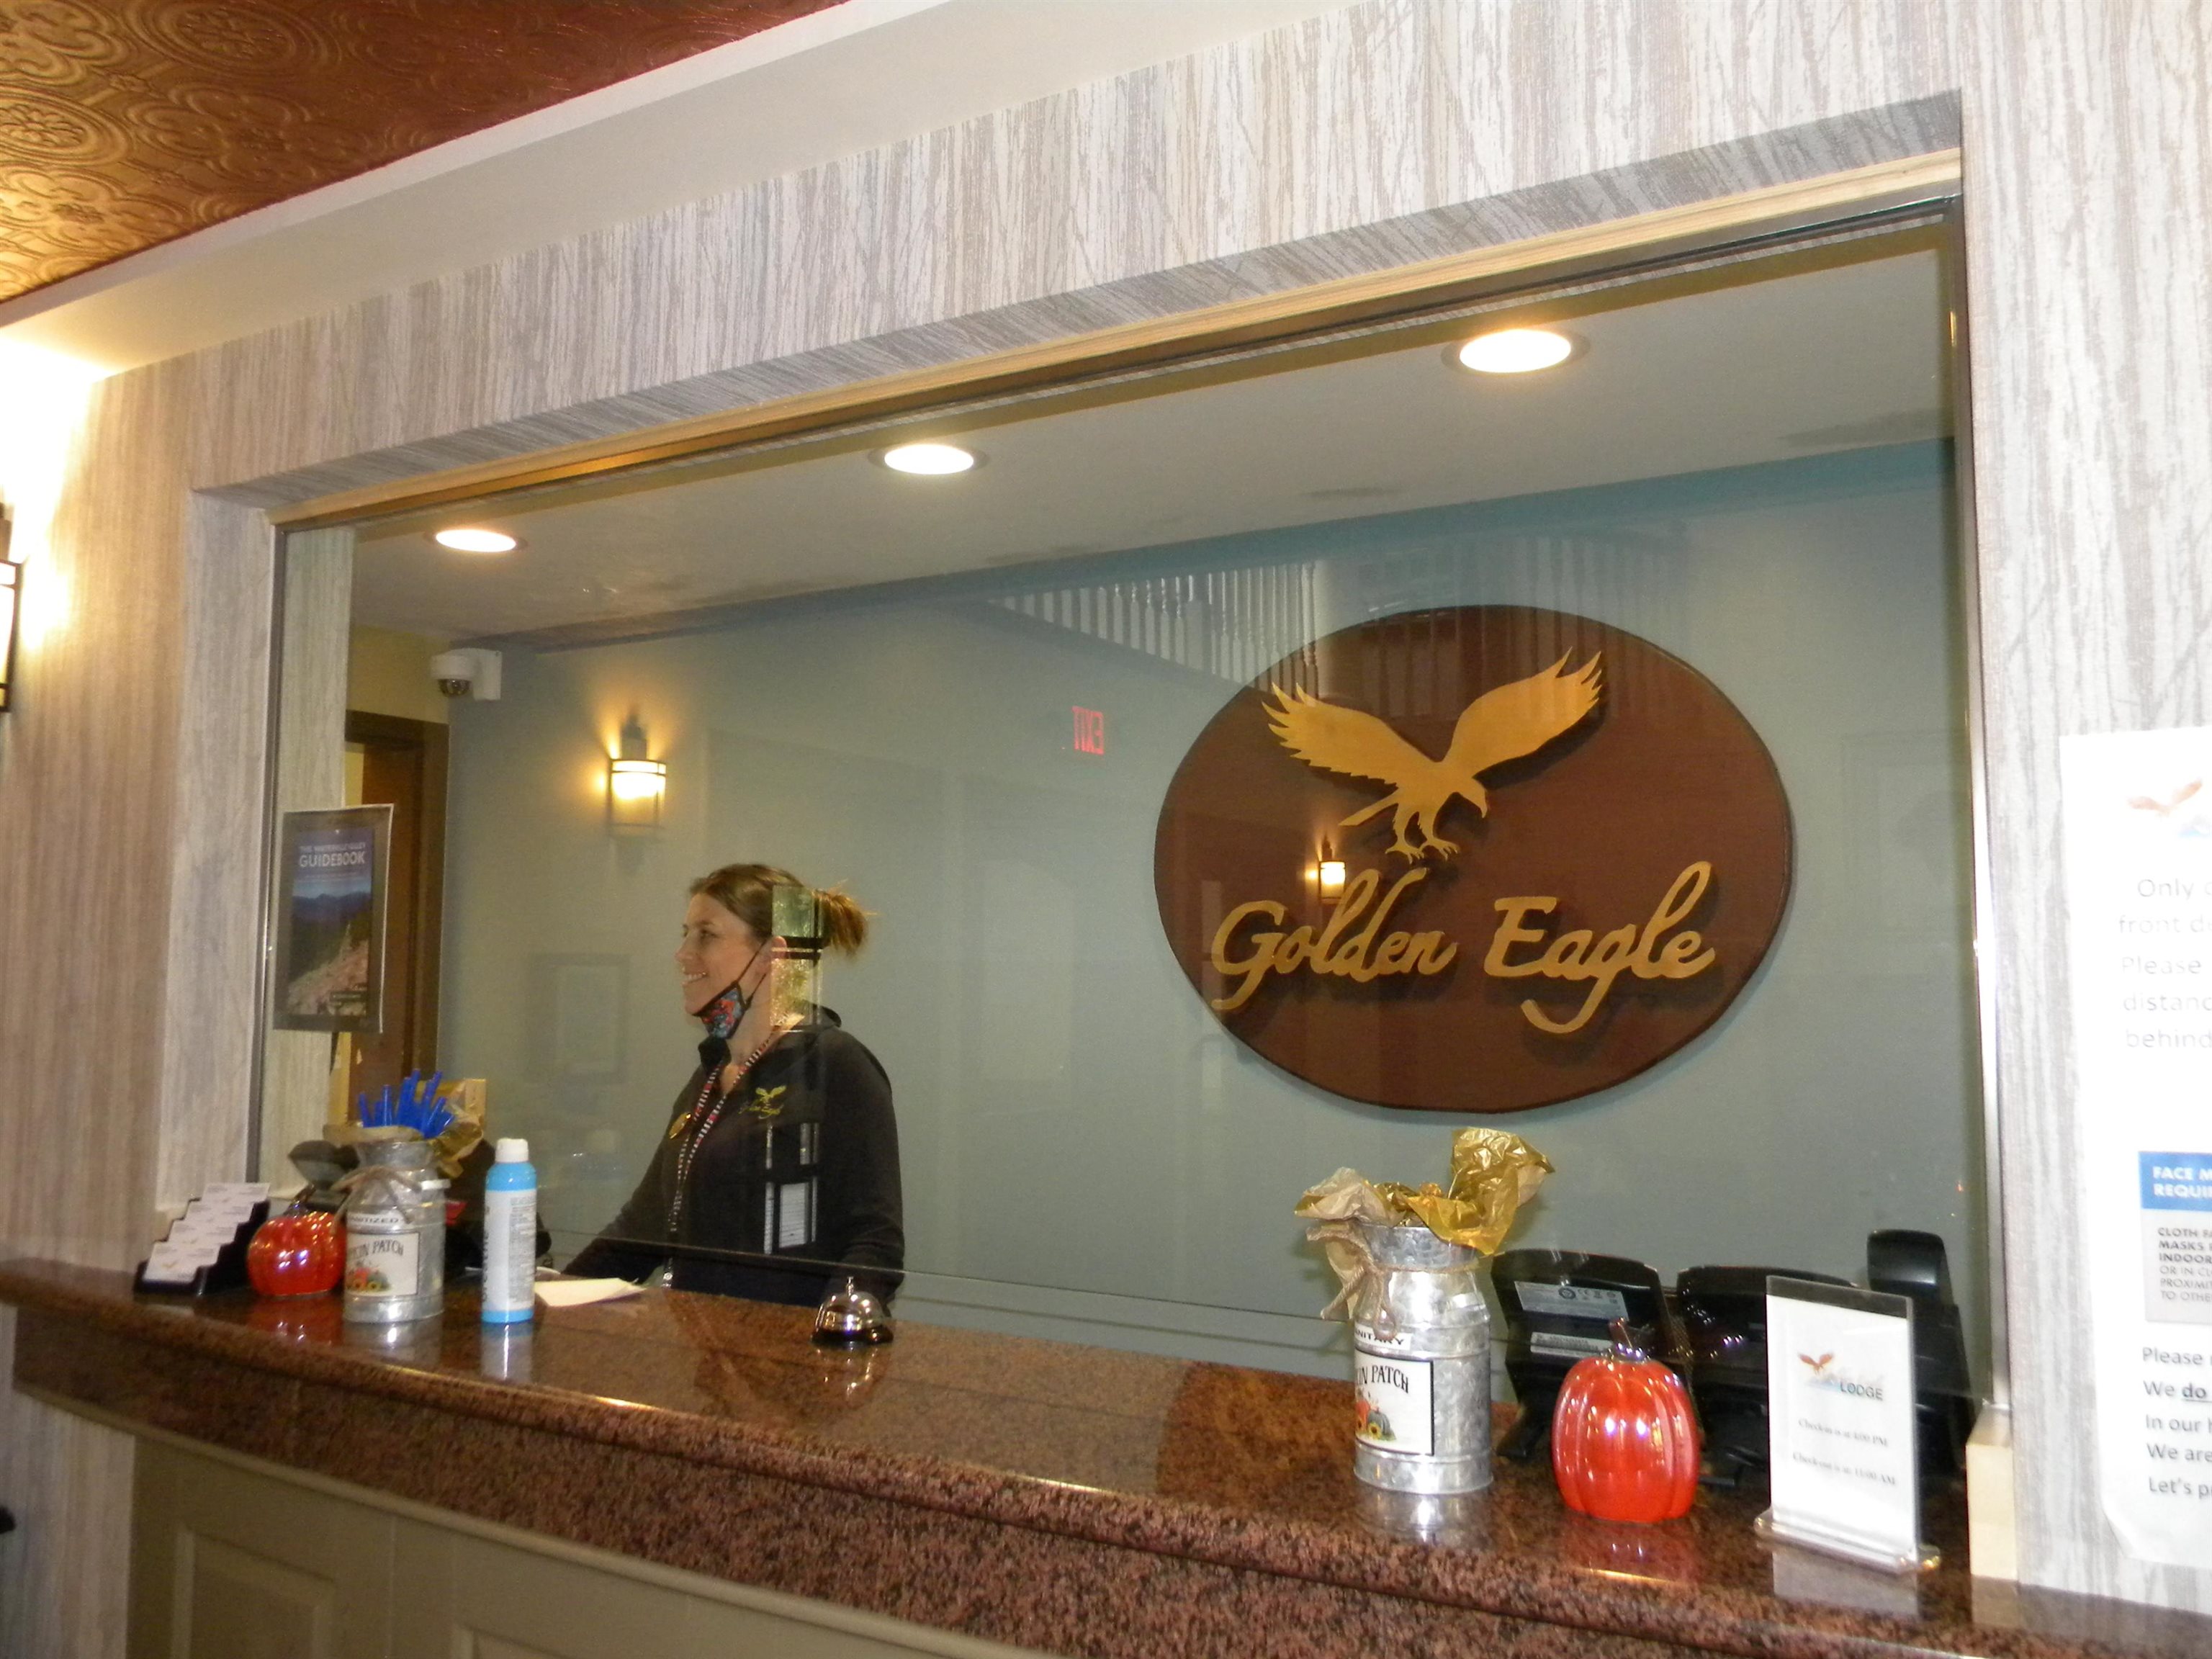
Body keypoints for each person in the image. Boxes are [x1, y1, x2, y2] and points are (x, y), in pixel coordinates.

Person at [567, 863, 902, 1308]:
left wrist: (828, 1333)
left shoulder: (834, 1064)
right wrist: (550, 1297)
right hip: (700, 1343)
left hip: (785, 1345)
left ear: (771, 956)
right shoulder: (711, 1074)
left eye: (706, 935)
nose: (682, 954)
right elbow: (643, 1227)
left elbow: (874, 1241)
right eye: (686, 934)